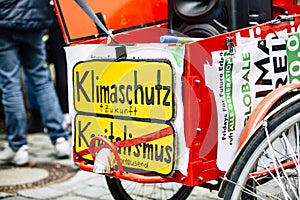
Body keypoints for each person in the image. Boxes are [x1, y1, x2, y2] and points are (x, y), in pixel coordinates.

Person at [0, 0, 70, 166]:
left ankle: (18, 148)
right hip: (35, 16)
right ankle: (60, 140)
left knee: (10, 82)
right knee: (41, 78)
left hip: (4, 18)